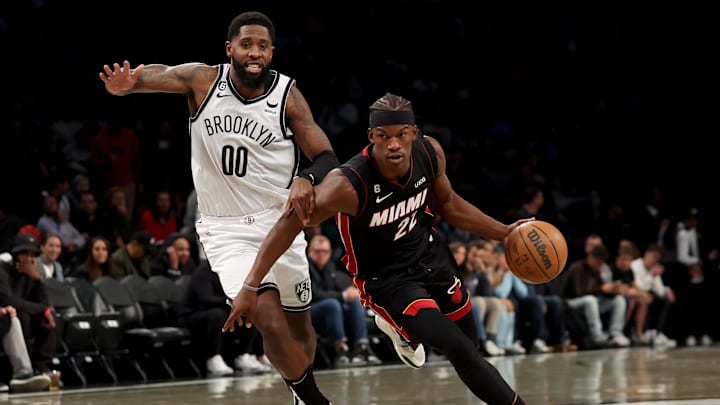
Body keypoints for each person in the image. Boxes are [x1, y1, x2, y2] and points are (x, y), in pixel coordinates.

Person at [224, 93, 529, 405]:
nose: (393, 144)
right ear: (371, 137)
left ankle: (403, 332)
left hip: (430, 256)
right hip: (389, 280)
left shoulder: (430, 152)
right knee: (458, 348)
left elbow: (449, 205)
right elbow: (288, 225)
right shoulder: (347, 184)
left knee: (470, 343)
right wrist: (250, 284)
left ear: (414, 133)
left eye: (401, 135)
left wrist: (505, 232)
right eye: (384, 137)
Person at [100, 11, 339, 405]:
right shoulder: (203, 80)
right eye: (246, 44)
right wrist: (131, 85)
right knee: (265, 315)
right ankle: (315, 401)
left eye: (263, 45)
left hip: (279, 222)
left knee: (301, 329)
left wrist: (307, 178)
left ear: (272, 51)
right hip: (224, 229)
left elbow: (326, 156)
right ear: (230, 49)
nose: (254, 52)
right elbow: (161, 73)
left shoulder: (286, 95)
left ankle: (298, 395)